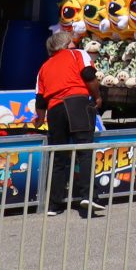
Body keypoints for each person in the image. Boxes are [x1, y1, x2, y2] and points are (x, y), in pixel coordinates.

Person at [37, 28, 102, 218]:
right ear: (66, 45)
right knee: (84, 151)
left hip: (54, 109)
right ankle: (89, 196)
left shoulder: (44, 67)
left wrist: (40, 119)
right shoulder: (77, 54)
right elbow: (89, 75)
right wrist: (97, 97)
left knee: (58, 156)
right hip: (77, 103)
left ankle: (54, 204)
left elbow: (40, 100)